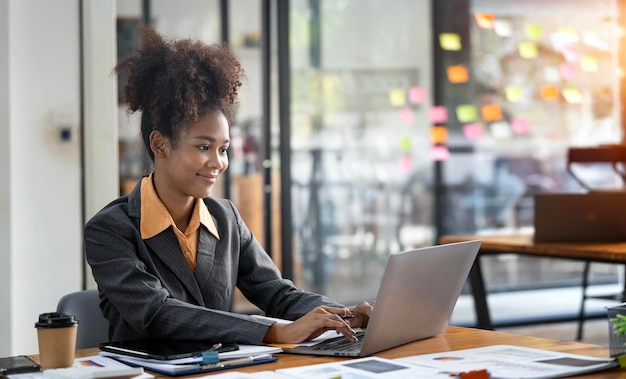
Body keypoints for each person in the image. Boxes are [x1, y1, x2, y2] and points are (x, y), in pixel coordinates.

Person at [84, 27, 373, 345]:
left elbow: (277, 294)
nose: (219, 163)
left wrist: (344, 315)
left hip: (222, 369)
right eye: (204, 147)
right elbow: (156, 313)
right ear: (160, 144)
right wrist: (273, 331)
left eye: (223, 149)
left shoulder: (226, 218)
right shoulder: (110, 229)